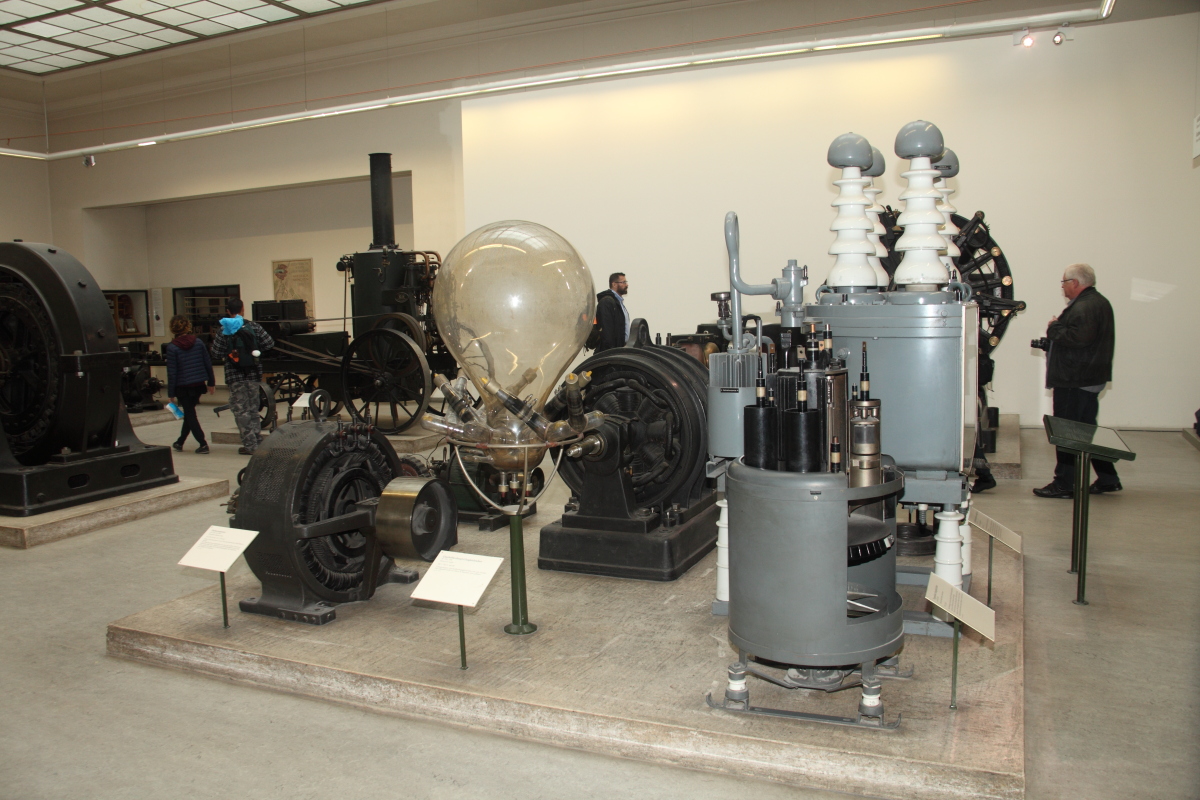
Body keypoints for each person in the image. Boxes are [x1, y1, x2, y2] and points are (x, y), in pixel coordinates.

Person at [1033, 263, 1119, 498]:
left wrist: (1054, 328)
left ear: (1075, 283)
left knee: (1067, 433)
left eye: (1064, 282)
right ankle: (1108, 478)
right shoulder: (1098, 302)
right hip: (1087, 378)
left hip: (1074, 380)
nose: (1062, 287)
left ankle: (1065, 483)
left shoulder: (1084, 306)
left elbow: (1077, 338)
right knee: (1085, 431)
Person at [210, 298, 275, 455]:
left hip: (234, 375)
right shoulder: (254, 326)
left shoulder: (223, 330)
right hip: (253, 373)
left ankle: (250, 445)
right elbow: (269, 343)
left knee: (241, 410)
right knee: (253, 408)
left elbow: (216, 353)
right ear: (243, 309)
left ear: (228, 311)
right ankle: (258, 440)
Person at [165, 315, 215, 454]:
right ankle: (180, 442)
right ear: (188, 326)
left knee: (190, 414)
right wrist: (211, 382)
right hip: (198, 383)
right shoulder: (198, 342)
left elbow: (172, 372)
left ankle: (203, 443)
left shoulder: (172, 347)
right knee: (189, 413)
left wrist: (170, 393)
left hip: (182, 385)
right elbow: (207, 363)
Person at [594, 272, 629, 352]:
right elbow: (607, 332)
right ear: (614, 284)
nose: (627, 285)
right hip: (610, 353)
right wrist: (612, 353)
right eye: (623, 282)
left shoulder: (618, 303)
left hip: (619, 351)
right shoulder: (607, 302)